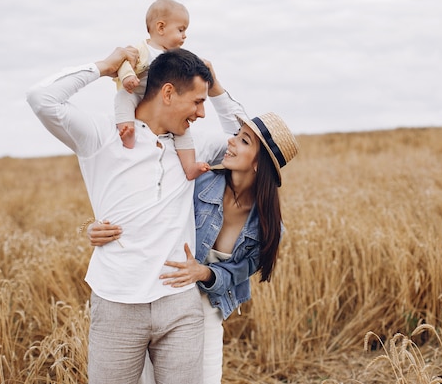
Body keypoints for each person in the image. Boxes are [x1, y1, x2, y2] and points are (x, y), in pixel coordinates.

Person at [26, 46, 245, 384]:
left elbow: (246, 138)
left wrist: (214, 86)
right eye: (198, 102)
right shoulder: (102, 136)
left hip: (179, 305)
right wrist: (104, 66)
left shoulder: (194, 145)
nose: (202, 114)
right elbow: (41, 98)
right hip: (117, 303)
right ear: (168, 93)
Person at [88, 72, 300, 383]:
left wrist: (205, 273)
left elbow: (240, 272)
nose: (231, 140)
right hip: (160, 297)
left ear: (258, 164)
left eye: (243, 141)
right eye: (237, 135)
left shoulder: (268, 227)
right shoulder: (199, 181)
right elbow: (144, 207)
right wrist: (92, 226)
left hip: (207, 310)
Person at [115, 0, 209, 180]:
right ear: (160, 27)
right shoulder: (140, 49)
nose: (185, 35)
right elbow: (124, 63)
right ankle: (127, 131)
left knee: (182, 130)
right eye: (181, 30)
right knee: (122, 99)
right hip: (137, 90)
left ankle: (189, 166)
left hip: (163, 102)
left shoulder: (174, 57)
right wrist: (127, 77)